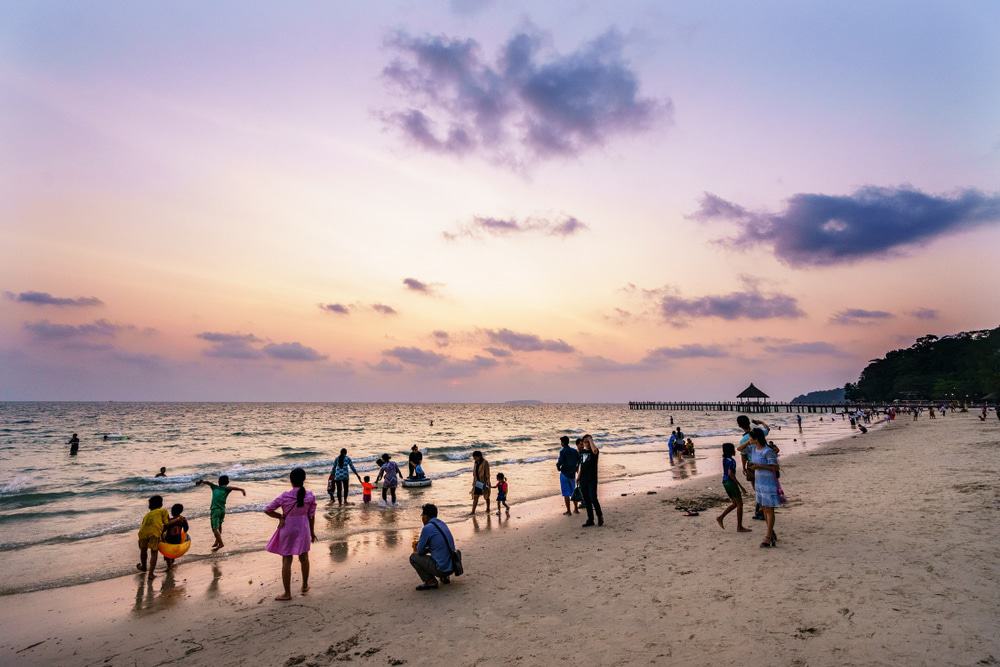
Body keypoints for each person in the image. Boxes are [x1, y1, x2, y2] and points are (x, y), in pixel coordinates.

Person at [264, 467, 317, 601]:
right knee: (304, 557)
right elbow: (311, 516)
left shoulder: (285, 496)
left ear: (290, 480)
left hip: (287, 529)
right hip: (303, 528)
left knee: (287, 560)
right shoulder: (310, 496)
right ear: (304, 480)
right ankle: (304, 586)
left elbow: (268, 509)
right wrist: (312, 532)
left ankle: (287, 593)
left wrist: (280, 517)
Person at [410, 503, 456, 591]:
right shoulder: (442, 524)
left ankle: (430, 581)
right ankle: (445, 577)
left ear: (426, 516)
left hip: (441, 569)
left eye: (422, 515)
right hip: (452, 566)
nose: (422, 518)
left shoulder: (427, 528)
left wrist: (417, 546)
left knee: (413, 557)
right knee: (439, 550)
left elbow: (419, 551)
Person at [746, 428, 780, 548]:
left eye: (750, 438)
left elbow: (775, 468)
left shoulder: (767, 451)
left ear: (756, 439)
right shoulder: (754, 449)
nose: (749, 440)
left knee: (769, 510)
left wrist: (759, 466)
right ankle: (771, 533)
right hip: (759, 483)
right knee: (764, 509)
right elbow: (739, 449)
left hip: (768, 483)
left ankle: (768, 537)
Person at [195, 475, 246, 551]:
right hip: (222, 510)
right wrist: (242, 490)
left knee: (214, 528)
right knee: (219, 526)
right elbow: (233, 488)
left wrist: (201, 481)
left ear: (218, 482)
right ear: (227, 482)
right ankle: (217, 541)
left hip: (215, 510)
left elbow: (208, 482)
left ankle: (221, 543)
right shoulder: (226, 489)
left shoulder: (214, 487)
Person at [736, 416, 768, 521]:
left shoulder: (743, 440)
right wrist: (761, 421)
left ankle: (761, 511)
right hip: (764, 462)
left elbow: (743, 454)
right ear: (749, 422)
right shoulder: (759, 433)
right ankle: (763, 510)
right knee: (763, 487)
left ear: (739, 425)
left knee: (757, 489)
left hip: (752, 464)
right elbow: (767, 429)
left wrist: (744, 467)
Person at [716, 443, 751, 533]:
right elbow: (731, 474)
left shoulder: (725, 459)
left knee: (735, 503)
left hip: (725, 482)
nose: (735, 450)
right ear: (730, 451)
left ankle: (720, 517)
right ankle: (739, 527)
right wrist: (741, 486)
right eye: (733, 449)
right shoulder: (731, 461)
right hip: (730, 483)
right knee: (740, 504)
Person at [136, 495, 169, 579]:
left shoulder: (147, 515)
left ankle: (143, 567)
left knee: (143, 550)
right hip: (154, 533)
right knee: (154, 553)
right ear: (161, 504)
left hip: (142, 533)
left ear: (150, 506)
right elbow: (167, 523)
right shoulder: (163, 511)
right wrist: (177, 519)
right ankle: (151, 574)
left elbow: (143, 525)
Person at [578, 434, 603, 527]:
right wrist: (579, 476)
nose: (586, 443)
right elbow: (582, 465)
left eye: (588, 441)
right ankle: (590, 519)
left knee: (593, 498)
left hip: (592, 479)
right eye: (585, 442)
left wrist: (590, 439)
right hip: (583, 479)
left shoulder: (594, 452)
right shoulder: (582, 452)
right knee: (586, 499)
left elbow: (595, 451)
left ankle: (600, 516)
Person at [556, 435, 581, 515]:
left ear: (563, 443)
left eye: (561, 442)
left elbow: (559, 463)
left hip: (564, 474)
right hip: (572, 475)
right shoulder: (574, 451)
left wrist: (558, 467)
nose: (561, 444)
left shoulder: (562, 451)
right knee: (573, 492)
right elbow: (579, 460)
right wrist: (576, 468)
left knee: (566, 493)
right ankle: (576, 509)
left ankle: (569, 511)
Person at [161, 503, 189, 570]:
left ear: (172, 512)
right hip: (178, 540)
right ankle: (172, 563)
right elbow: (186, 528)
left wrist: (162, 537)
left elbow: (163, 530)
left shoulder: (170, 521)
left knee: (167, 553)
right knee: (173, 552)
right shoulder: (183, 519)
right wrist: (184, 535)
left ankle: (169, 566)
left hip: (169, 540)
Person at [470, 450, 491, 515]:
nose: (474, 458)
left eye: (475, 457)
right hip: (477, 482)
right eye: (474, 457)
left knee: (486, 496)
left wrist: (487, 483)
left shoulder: (485, 462)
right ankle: (473, 511)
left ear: (479, 456)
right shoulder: (475, 462)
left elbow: (487, 474)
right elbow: (474, 472)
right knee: (476, 497)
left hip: (483, 482)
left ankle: (488, 508)